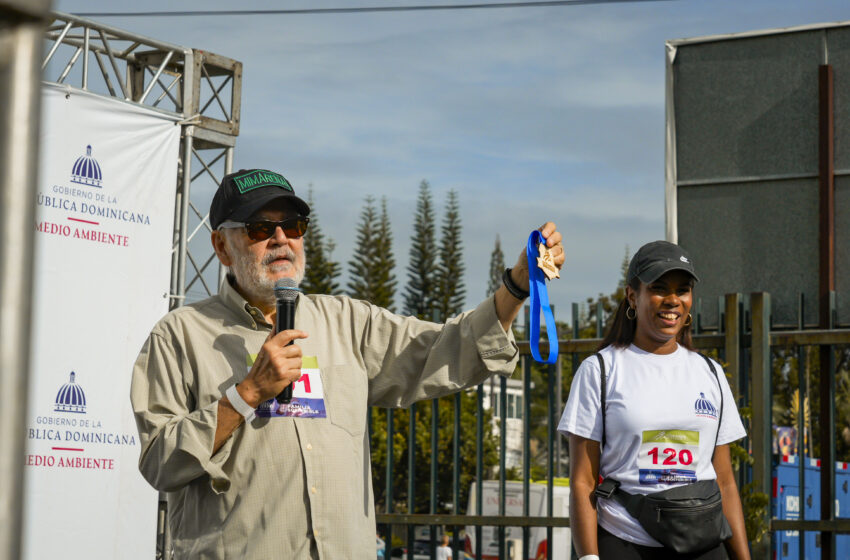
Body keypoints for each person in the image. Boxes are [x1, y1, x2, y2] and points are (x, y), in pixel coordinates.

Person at [130, 168, 564, 559]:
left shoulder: (348, 322)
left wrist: (517, 285)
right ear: (222, 247)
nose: (281, 239)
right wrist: (246, 395)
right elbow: (159, 462)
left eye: (293, 226)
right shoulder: (180, 335)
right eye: (261, 227)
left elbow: (448, 349)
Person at [558, 240, 749, 560]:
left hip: (703, 541)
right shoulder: (601, 370)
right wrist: (589, 557)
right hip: (626, 541)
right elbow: (582, 481)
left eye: (683, 289)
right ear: (633, 296)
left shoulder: (710, 373)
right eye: (659, 288)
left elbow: (726, 481)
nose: (673, 300)